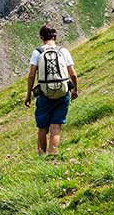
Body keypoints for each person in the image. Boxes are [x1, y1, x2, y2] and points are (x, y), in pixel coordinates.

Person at [24, 24, 78, 156]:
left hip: (44, 93)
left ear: (41, 38)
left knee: (42, 127)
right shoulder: (63, 51)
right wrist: (75, 90)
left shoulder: (37, 52)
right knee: (56, 125)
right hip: (62, 92)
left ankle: (42, 156)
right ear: (55, 36)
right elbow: (73, 74)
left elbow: (31, 75)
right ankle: (52, 154)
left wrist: (28, 95)